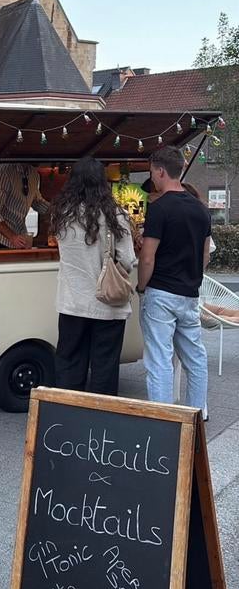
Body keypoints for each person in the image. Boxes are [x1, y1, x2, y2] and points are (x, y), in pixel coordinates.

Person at [51, 158, 135, 395]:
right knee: (104, 368)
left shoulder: (62, 215)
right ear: (103, 182)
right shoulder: (116, 216)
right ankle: (100, 423)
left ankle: (67, 416)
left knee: (69, 363)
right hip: (108, 305)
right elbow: (127, 259)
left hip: (72, 302)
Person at [138, 146, 212, 410]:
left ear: (160, 170)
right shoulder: (202, 210)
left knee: (159, 359)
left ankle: (162, 421)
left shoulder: (159, 208)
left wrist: (141, 286)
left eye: (152, 173)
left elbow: (147, 257)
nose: (153, 178)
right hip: (189, 294)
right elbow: (205, 256)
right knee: (195, 358)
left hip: (161, 292)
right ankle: (197, 416)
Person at [0, 163, 50, 250]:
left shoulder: (34, 174)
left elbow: (37, 202)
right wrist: (12, 236)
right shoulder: (3, 172)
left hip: (20, 239)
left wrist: (61, 211)